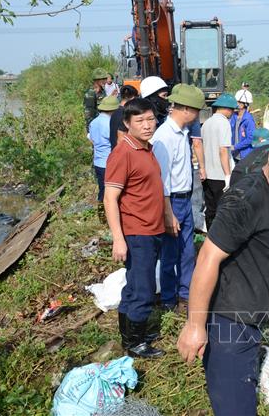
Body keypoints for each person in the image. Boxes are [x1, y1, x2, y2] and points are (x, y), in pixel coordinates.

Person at [176, 126, 269, 416]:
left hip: (252, 311)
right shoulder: (247, 199)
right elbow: (207, 258)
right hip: (228, 318)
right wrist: (194, 326)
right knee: (235, 406)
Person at [104, 97, 165, 359]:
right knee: (144, 288)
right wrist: (118, 238)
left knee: (134, 285)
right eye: (140, 121)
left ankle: (130, 337)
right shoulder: (123, 153)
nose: (147, 125)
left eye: (150, 119)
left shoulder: (145, 148)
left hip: (152, 229)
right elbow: (110, 198)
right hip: (137, 232)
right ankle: (137, 343)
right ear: (127, 123)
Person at [151, 84, 205, 314]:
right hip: (171, 201)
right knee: (170, 254)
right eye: (197, 111)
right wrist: (168, 213)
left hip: (184, 198)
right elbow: (161, 180)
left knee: (187, 251)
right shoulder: (164, 136)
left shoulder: (182, 133)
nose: (198, 116)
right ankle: (168, 299)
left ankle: (185, 295)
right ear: (185, 110)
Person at [201, 93, 236, 230]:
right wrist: (228, 175)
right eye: (232, 110)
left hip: (207, 173)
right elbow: (223, 150)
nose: (232, 113)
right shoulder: (224, 123)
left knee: (210, 209)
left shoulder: (206, 123)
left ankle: (210, 234)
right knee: (223, 210)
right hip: (219, 174)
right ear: (227, 109)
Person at [89, 96, 119, 208]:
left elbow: (91, 139)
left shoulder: (94, 122)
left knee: (102, 190)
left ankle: (101, 214)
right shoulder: (110, 123)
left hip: (98, 162)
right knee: (112, 194)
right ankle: (109, 216)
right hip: (109, 163)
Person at [110, 85, 138, 150]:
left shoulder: (114, 112)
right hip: (122, 152)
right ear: (133, 97)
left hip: (114, 151)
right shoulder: (126, 114)